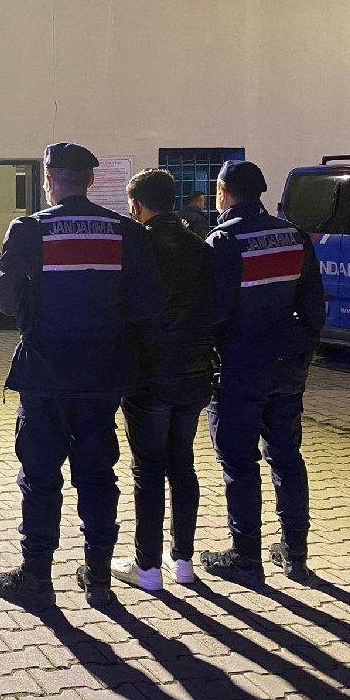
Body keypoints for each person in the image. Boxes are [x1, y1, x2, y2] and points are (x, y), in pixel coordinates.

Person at [0, 143, 160, 610]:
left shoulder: (29, 229)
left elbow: (4, 300)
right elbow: (146, 305)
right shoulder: (127, 231)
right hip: (103, 376)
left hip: (45, 374)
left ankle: (36, 577)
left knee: (40, 476)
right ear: (90, 181)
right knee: (97, 475)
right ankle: (99, 578)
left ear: (49, 180)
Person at [201, 160, 325, 586]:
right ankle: (296, 555)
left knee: (239, 463)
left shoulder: (223, 240)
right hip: (287, 368)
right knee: (287, 457)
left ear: (223, 192)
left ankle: (246, 558)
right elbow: (314, 306)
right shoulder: (294, 235)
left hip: (239, 369)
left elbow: (214, 312)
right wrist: (301, 355)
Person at [111, 169, 215, 591]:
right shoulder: (201, 247)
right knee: (183, 464)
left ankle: (147, 567)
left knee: (148, 469)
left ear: (136, 205)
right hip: (195, 372)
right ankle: (183, 560)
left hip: (149, 375)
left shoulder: (138, 247)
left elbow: (126, 308)